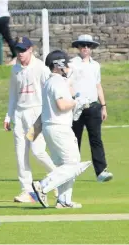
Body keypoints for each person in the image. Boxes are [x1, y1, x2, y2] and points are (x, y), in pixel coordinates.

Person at [31, 50, 92, 209]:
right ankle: (43, 185)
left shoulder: (51, 83)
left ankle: (63, 200)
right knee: (72, 164)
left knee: (64, 166)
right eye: (65, 64)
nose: (68, 67)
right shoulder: (57, 82)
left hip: (51, 128)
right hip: (59, 128)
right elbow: (62, 105)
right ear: (58, 65)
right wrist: (77, 102)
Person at [3, 36, 57, 203]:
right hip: (20, 115)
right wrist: (8, 116)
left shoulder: (41, 68)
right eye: (18, 50)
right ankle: (27, 191)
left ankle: (59, 178)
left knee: (38, 151)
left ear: (31, 49)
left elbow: (50, 90)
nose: (20, 54)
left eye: (23, 50)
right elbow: (13, 95)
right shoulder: (15, 69)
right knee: (21, 155)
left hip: (36, 114)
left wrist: (48, 114)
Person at [69, 34, 113, 183]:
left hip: (93, 107)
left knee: (96, 139)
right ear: (78, 47)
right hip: (77, 107)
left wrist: (104, 106)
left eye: (88, 46)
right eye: (82, 46)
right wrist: (75, 99)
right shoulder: (72, 64)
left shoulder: (95, 65)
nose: (85, 48)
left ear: (91, 48)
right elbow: (68, 84)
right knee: (74, 139)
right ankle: (71, 170)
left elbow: (98, 86)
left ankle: (101, 171)